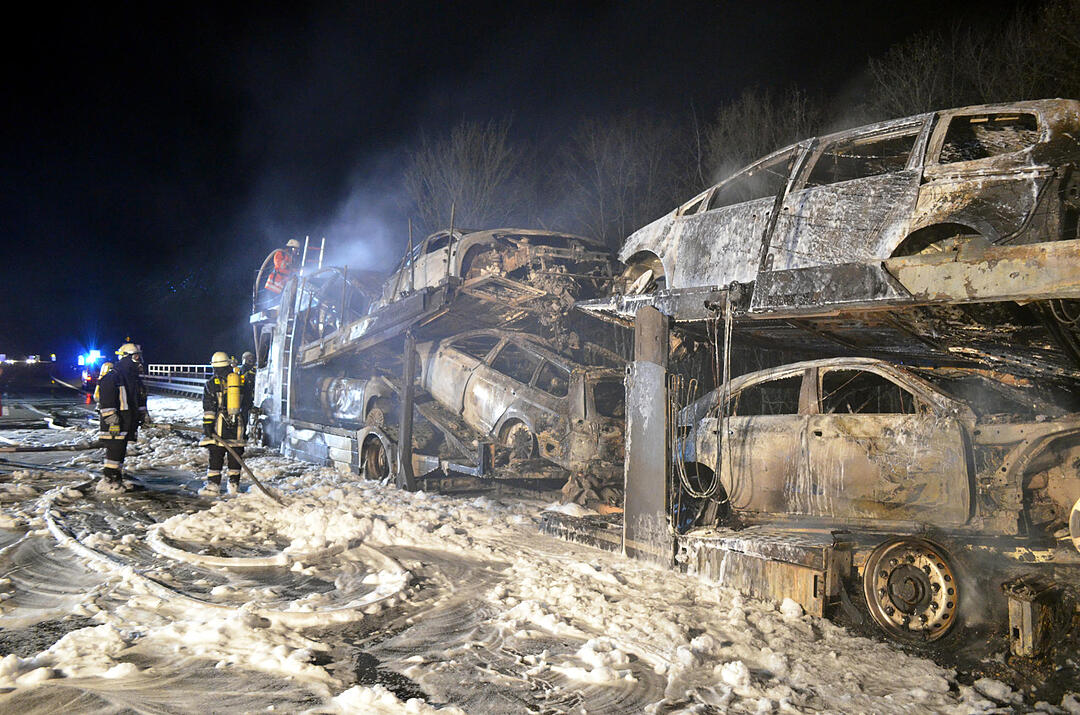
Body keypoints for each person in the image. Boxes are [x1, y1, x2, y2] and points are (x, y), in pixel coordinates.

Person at [96, 344, 150, 490]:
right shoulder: (113, 377)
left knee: (120, 452)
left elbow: (139, 399)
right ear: (126, 357)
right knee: (113, 453)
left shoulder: (133, 379)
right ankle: (109, 482)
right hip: (115, 424)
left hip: (126, 423)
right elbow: (106, 402)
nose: (138, 360)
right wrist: (112, 420)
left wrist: (143, 414)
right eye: (135, 356)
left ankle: (116, 480)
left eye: (139, 356)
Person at [200, 351, 251, 494]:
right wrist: (244, 425)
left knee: (216, 456)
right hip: (238, 426)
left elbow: (209, 407)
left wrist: (208, 425)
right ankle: (234, 486)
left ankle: (213, 486)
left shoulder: (211, 384)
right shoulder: (241, 381)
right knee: (236, 457)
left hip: (219, 426)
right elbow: (248, 404)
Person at [237, 351, 257, 438]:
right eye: (249, 359)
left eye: (252, 359)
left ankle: (251, 431)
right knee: (244, 415)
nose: (251, 360)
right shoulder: (243, 368)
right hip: (245, 395)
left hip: (251, 395)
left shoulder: (253, 368)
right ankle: (243, 433)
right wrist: (253, 370)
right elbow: (245, 377)